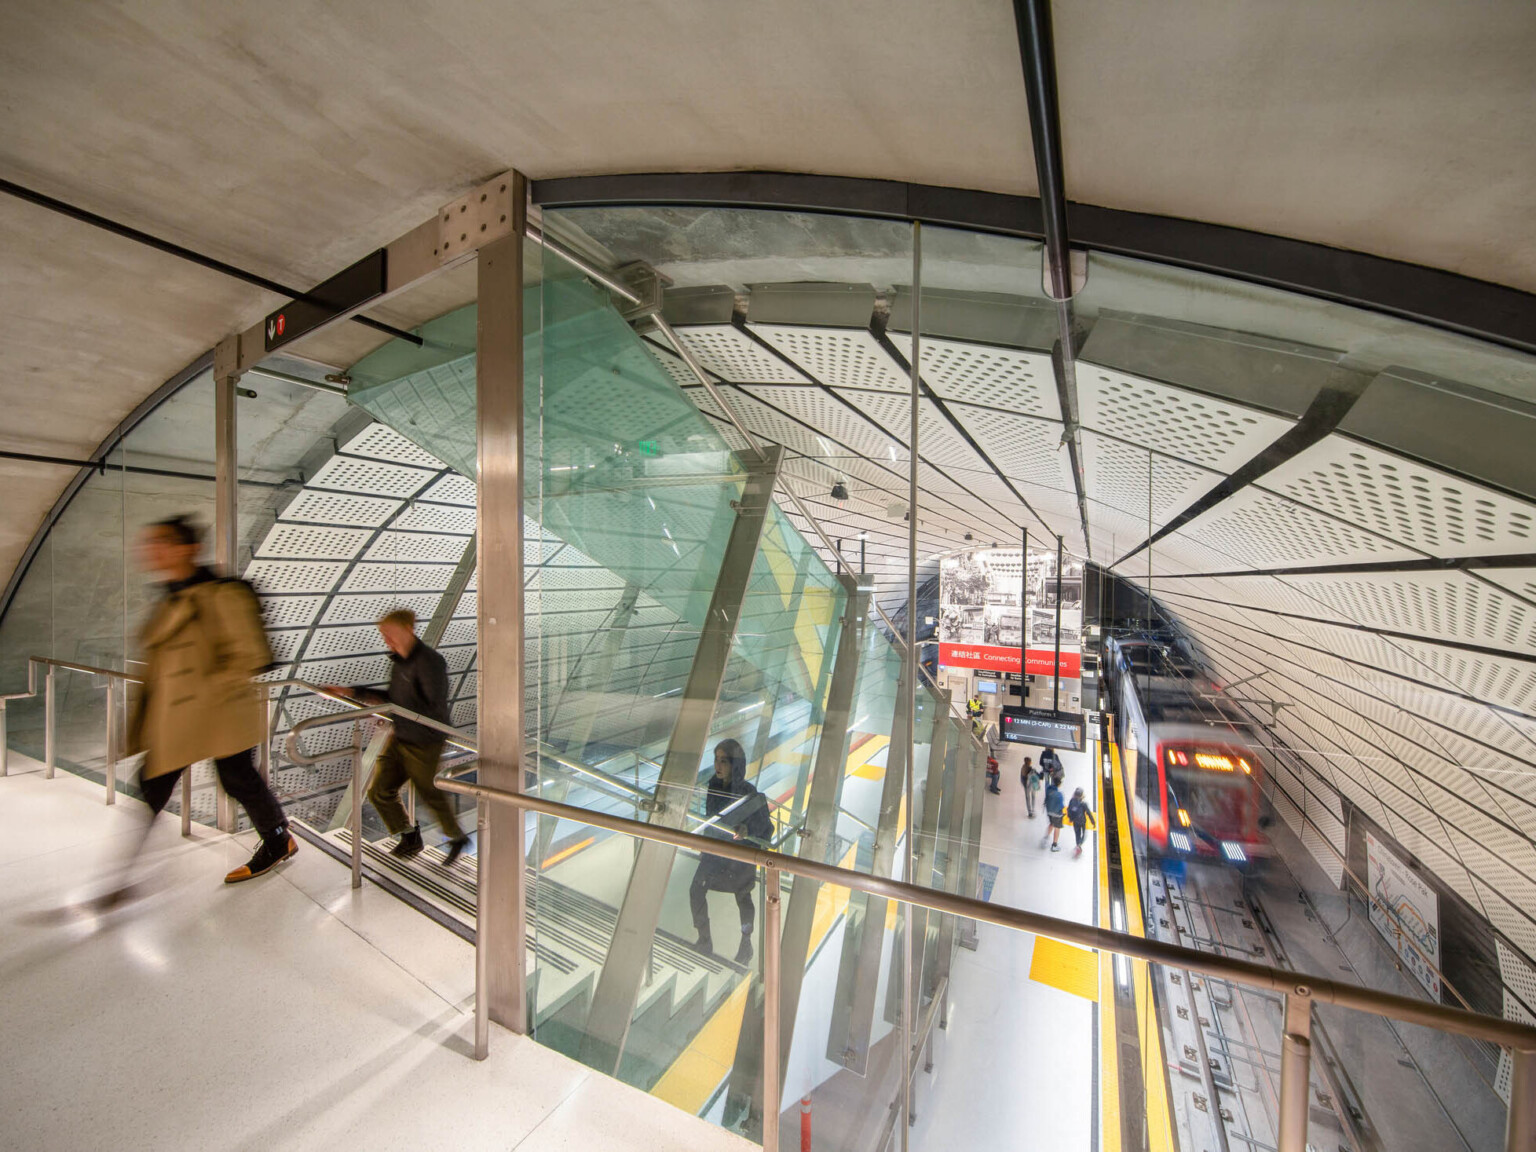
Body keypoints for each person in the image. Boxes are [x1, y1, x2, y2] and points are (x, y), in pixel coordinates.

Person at [126, 516, 296, 884]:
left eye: (162, 542)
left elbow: (249, 654)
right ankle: (122, 874)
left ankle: (278, 839)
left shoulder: (222, 594)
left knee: (237, 779)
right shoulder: (173, 596)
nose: (152, 551)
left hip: (219, 713)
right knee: (153, 783)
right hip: (185, 715)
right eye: (151, 543)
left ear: (188, 549)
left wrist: (203, 689)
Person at [327, 609, 469, 864]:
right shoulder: (400, 661)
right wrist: (351, 692)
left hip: (425, 740)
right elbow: (393, 698)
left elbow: (433, 706)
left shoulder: (430, 662)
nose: (386, 640)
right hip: (401, 735)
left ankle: (456, 838)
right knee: (380, 791)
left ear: (408, 630)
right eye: (384, 635)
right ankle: (409, 837)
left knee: (427, 790)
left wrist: (395, 713)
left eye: (389, 634)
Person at [690, 738, 774, 964]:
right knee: (696, 889)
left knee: (743, 897)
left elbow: (767, 826)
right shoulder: (713, 786)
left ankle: (746, 943)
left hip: (740, 856)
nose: (718, 766)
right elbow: (711, 820)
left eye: (724, 761)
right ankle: (704, 938)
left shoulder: (750, 792)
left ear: (735, 765)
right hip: (717, 852)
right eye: (716, 760)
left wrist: (747, 830)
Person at [1067, 787, 1096, 856]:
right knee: (1084, 834)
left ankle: (1078, 845)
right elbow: (1088, 813)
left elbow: (1069, 811)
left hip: (1075, 821)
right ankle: (1079, 845)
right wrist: (1093, 822)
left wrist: (1070, 819)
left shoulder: (1072, 801)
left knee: (1077, 834)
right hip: (1082, 821)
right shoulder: (1083, 803)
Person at [1044, 779, 1065, 851]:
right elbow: (1061, 806)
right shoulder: (1059, 795)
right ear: (1059, 785)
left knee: (1051, 824)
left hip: (1049, 811)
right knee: (1057, 828)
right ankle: (1054, 845)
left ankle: (1045, 839)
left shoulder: (1048, 789)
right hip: (1057, 814)